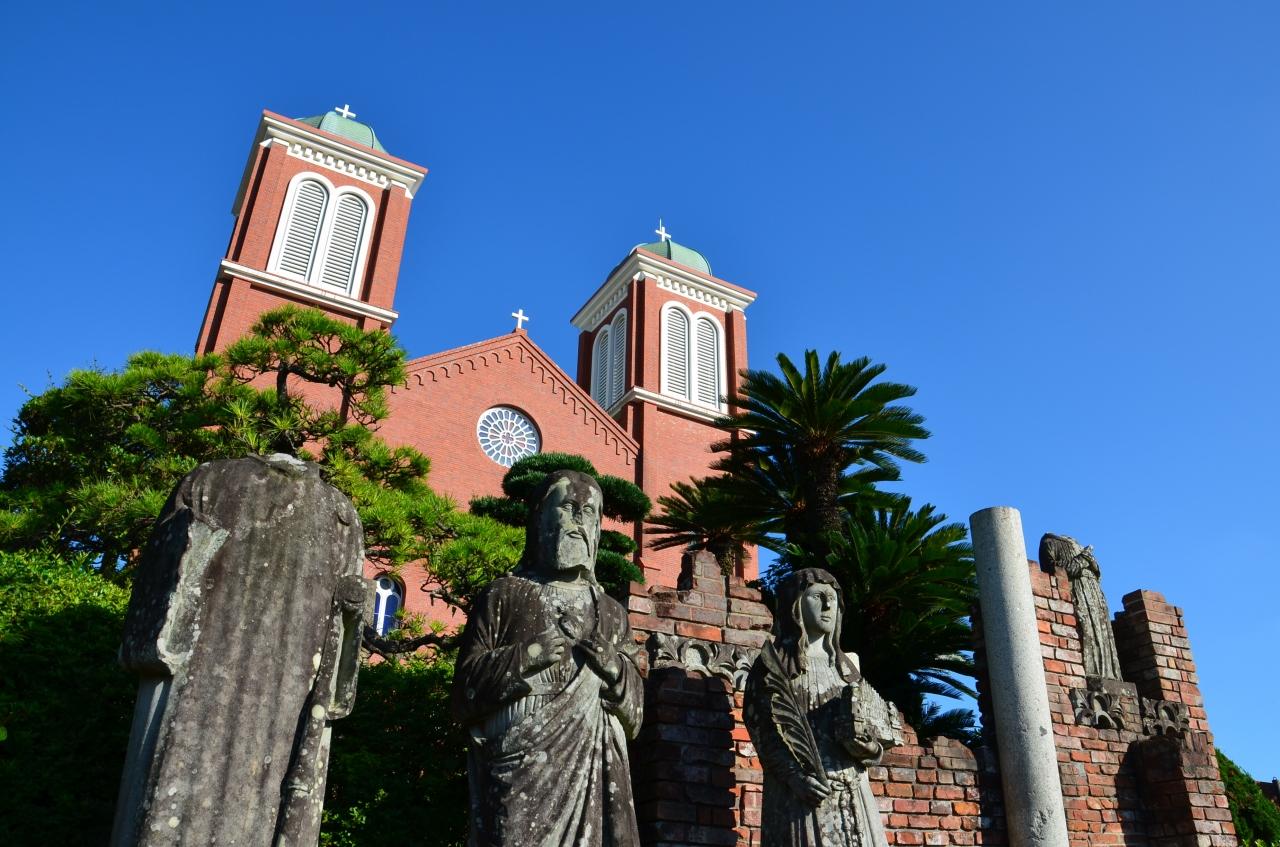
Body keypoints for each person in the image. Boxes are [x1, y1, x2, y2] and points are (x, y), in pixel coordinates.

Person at [452, 470, 643, 846]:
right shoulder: (503, 595)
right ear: (539, 518)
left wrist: (614, 668)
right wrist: (527, 656)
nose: (578, 521)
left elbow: (636, 714)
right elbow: (463, 695)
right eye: (568, 508)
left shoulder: (611, 613)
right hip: (519, 764)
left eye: (589, 512)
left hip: (594, 768)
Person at [743, 568, 899, 846]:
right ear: (795, 605)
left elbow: (872, 739)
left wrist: (869, 749)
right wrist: (795, 777)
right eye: (817, 596)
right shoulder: (773, 666)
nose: (828, 605)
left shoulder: (847, 668)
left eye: (833, 598)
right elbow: (762, 731)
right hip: (804, 797)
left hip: (856, 795)